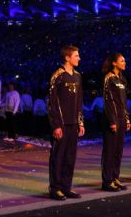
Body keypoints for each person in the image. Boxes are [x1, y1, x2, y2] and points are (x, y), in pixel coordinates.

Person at [47, 45, 85, 200]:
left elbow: (79, 101)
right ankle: (55, 188)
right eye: (76, 55)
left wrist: (80, 122)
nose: (79, 58)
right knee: (58, 157)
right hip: (61, 125)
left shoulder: (77, 76)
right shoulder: (57, 75)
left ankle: (66, 187)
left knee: (70, 157)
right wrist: (56, 125)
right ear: (67, 58)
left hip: (73, 125)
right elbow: (51, 103)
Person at [100, 53, 131, 192]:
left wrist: (127, 118)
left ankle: (115, 177)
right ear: (114, 63)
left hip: (122, 119)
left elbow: (123, 102)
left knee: (118, 151)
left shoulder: (122, 79)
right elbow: (109, 100)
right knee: (110, 151)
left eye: (124, 60)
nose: (124, 62)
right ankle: (107, 181)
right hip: (112, 119)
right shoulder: (109, 78)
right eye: (122, 60)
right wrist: (112, 120)